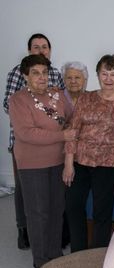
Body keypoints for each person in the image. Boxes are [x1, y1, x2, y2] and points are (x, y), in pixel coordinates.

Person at [64, 54, 114, 252]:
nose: (108, 78)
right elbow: (73, 131)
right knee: (73, 207)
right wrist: (68, 162)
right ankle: (78, 253)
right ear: (98, 75)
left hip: (110, 164)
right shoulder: (86, 98)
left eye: (113, 74)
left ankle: (97, 256)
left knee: (102, 212)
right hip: (80, 161)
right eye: (104, 73)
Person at [8, 54, 76, 268]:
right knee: (38, 212)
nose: (41, 77)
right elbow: (27, 133)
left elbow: (72, 117)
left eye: (45, 72)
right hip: (31, 164)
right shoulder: (18, 100)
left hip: (58, 161)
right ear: (25, 75)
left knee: (57, 209)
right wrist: (62, 136)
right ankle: (41, 261)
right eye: (35, 73)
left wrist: (68, 151)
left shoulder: (57, 94)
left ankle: (54, 254)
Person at [3, 33, 65, 250]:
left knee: (54, 204)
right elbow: (14, 112)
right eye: (36, 46)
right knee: (28, 197)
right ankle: (25, 232)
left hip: (55, 153)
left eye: (45, 46)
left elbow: (65, 113)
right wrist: (50, 128)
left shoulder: (56, 77)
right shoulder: (17, 79)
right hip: (27, 150)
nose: (41, 50)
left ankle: (51, 245)